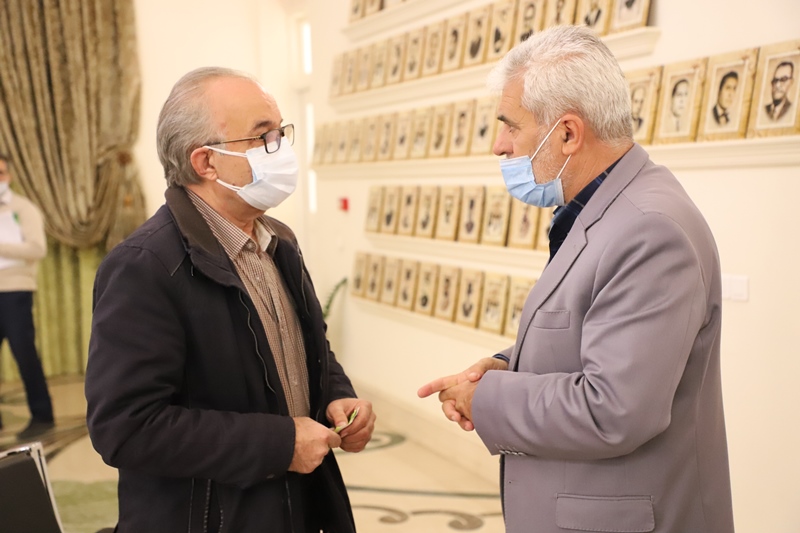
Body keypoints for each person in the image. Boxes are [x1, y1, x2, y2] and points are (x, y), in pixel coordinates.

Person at [418, 25, 734, 533]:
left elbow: (615, 409)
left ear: (567, 133)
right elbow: (598, 333)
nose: (499, 146)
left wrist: (487, 398)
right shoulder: (608, 210)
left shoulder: (650, 230)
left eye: (511, 127)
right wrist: (508, 365)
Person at [85, 67, 376, 533]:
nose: (281, 148)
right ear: (206, 162)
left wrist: (338, 397)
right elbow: (126, 427)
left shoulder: (278, 240)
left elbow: (307, 348)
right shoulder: (145, 266)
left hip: (298, 506)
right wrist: (279, 444)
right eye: (263, 137)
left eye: (280, 132)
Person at [0, 154, 54, 441]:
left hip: (15, 290)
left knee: (24, 353)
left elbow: (37, 249)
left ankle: (42, 415)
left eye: (0, 173)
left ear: (9, 175)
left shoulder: (24, 208)